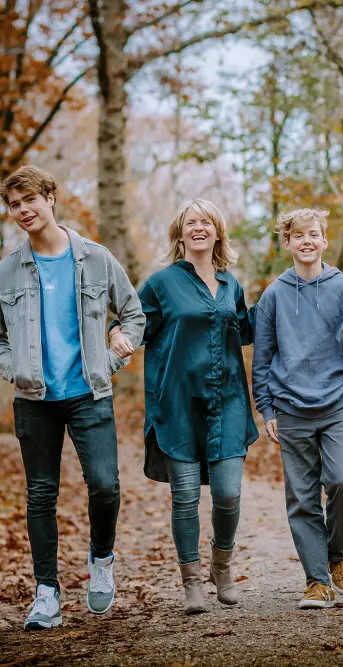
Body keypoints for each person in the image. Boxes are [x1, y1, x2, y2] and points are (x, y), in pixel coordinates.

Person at [0, 165, 145, 630]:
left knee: (105, 485)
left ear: (51, 198)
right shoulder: (7, 271)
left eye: (30, 199)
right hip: (35, 400)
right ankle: (46, 593)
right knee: (40, 494)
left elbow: (133, 314)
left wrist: (116, 350)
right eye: (14, 205)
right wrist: (16, 370)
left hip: (89, 393)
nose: (23, 210)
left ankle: (101, 560)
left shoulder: (95, 258)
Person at [108, 199, 258, 615]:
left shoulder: (231, 285)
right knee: (186, 496)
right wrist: (118, 334)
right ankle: (191, 581)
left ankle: (220, 567)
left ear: (217, 233)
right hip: (177, 403)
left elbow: (248, 329)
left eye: (206, 221)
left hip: (227, 402)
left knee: (228, 493)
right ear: (179, 234)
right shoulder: (161, 283)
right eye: (190, 222)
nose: (198, 227)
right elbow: (133, 322)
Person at [251, 209, 343, 610]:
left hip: (338, 401)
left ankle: (336, 556)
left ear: (325, 240)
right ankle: (317, 581)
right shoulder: (274, 294)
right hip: (290, 408)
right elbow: (262, 357)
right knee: (302, 498)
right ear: (286, 243)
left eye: (314, 234)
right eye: (298, 235)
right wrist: (267, 408)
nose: (306, 241)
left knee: (341, 481)